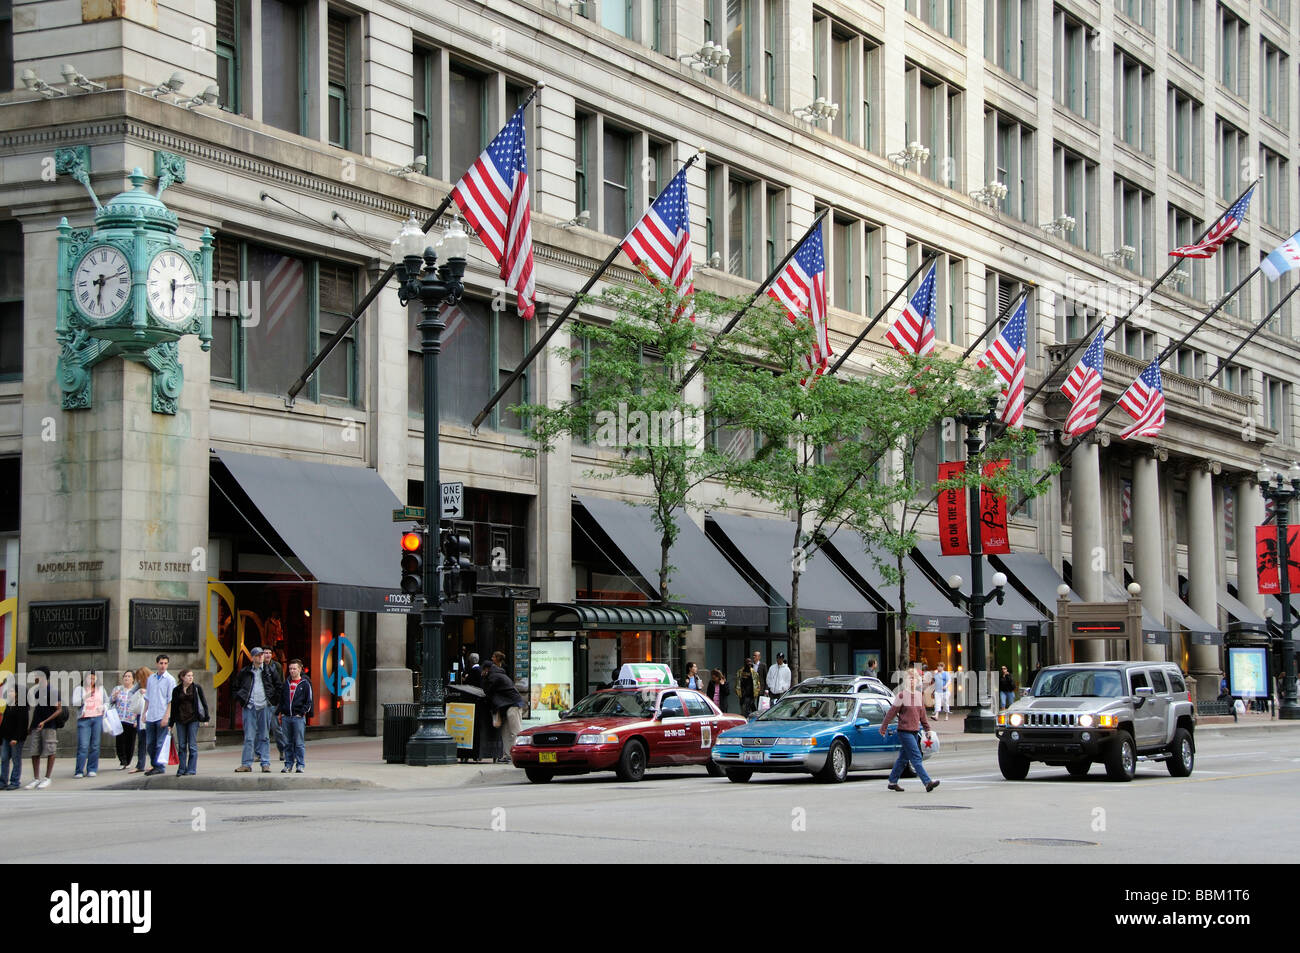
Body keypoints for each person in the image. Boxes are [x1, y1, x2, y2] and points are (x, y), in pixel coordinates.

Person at [880, 668, 939, 793]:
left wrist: (928, 729)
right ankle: (927, 782)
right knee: (916, 757)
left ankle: (892, 781)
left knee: (903, 758)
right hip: (904, 731)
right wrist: (883, 727)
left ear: (918, 681)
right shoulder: (901, 695)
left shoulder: (919, 696)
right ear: (906, 680)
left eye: (915, 678)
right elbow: (891, 713)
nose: (912, 680)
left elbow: (922, 715)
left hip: (914, 731)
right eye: (910, 678)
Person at [234, 647, 281, 772]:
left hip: (264, 706)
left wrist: (273, 701)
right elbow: (236, 686)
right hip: (249, 706)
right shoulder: (245, 671)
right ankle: (246, 764)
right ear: (252, 657)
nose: (261, 657)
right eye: (258, 655)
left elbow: (278, 686)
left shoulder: (270, 670)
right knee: (249, 737)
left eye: (262, 655)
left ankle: (265, 763)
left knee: (264, 736)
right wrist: (241, 698)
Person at [25, 666, 63, 789]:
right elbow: (37, 710)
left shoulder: (52, 691)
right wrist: (31, 726)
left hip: (49, 726)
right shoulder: (36, 692)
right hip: (37, 726)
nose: (34, 678)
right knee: (34, 751)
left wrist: (45, 721)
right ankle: (36, 778)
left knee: (50, 751)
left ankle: (47, 778)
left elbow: (59, 710)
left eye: (36, 675)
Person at [483, 652, 524, 760]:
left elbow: (487, 690)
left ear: (486, 669)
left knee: (514, 731)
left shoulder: (493, 676)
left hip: (512, 705)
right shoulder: (499, 673)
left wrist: (484, 679)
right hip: (507, 705)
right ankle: (508, 755)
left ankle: (518, 754)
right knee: (506, 732)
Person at [142, 654, 176, 776]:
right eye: (161, 663)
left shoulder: (170, 680)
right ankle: (154, 764)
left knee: (159, 743)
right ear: (157, 664)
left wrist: (167, 716)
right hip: (151, 714)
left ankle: (159, 766)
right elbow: (147, 697)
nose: (163, 666)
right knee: (150, 743)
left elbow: (171, 700)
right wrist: (144, 713)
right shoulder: (151, 678)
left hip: (162, 714)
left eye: (165, 663)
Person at [171, 670, 209, 776]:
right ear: (182, 677)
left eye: (192, 676)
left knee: (192, 745)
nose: (191, 678)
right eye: (188, 676)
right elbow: (173, 707)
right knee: (182, 745)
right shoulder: (177, 690)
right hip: (180, 720)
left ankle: (191, 769)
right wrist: (171, 723)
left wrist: (206, 718)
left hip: (193, 719)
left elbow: (203, 702)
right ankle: (182, 769)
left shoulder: (197, 688)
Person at [278, 659, 313, 773]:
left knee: (299, 742)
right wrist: (281, 712)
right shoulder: (286, 683)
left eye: (294, 668)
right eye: (290, 669)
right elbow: (282, 699)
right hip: (286, 716)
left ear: (300, 669)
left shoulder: (305, 684)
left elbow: (308, 701)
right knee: (287, 742)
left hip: (298, 717)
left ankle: (300, 764)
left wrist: (301, 713)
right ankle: (288, 764)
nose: (292, 671)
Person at [72, 671, 107, 778]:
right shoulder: (79, 689)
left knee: (95, 745)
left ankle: (92, 768)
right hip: (84, 719)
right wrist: (86, 696)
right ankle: (79, 770)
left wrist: (103, 707)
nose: (91, 681)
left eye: (93, 678)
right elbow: (75, 703)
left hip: (97, 717)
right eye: (89, 678)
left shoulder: (101, 689)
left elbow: (107, 701)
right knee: (83, 745)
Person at [108, 671, 138, 770]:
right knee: (120, 741)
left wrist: (136, 720)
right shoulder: (117, 689)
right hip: (119, 719)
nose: (127, 678)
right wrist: (114, 696)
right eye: (125, 676)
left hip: (131, 719)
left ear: (133, 679)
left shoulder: (136, 690)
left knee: (130, 741)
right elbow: (110, 702)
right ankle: (122, 761)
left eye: (129, 676)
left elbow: (139, 705)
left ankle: (128, 761)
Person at [1, 681, 28, 789]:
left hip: (16, 739)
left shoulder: (22, 706)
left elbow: (22, 724)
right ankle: (3, 781)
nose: (10, 693)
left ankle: (15, 781)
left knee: (16, 759)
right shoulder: (9, 704)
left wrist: (16, 738)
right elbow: (4, 722)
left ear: (18, 693)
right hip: (6, 737)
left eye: (12, 691)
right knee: (4, 758)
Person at [129, 666, 152, 773]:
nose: (138, 680)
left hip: (152, 714)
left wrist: (146, 692)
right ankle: (140, 765)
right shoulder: (139, 685)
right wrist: (139, 692)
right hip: (141, 713)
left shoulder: (153, 682)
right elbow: (130, 693)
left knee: (151, 741)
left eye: (139, 678)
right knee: (142, 741)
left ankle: (154, 763)